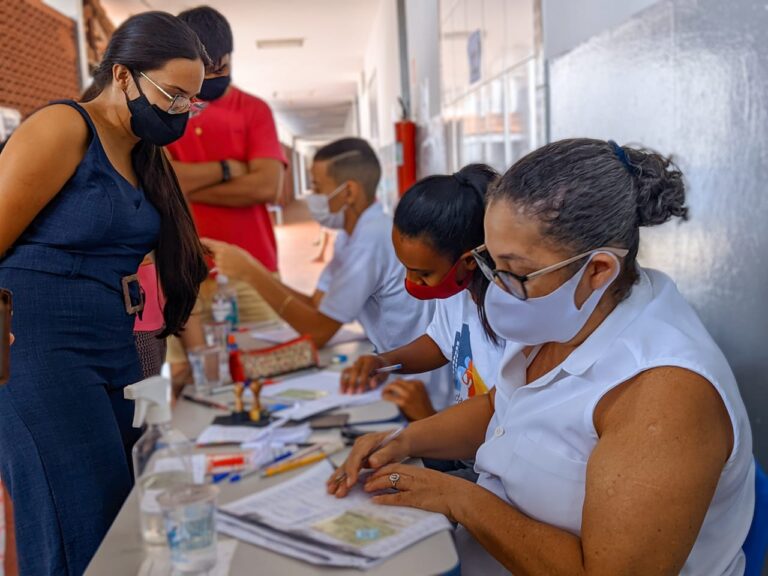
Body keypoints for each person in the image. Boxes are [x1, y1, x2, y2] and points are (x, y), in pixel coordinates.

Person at [329, 139, 754, 576]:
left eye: (514, 271)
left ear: (598, 270)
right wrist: (406, 440)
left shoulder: (666, 397)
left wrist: (460, 498)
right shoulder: (566, 312)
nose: (496, 288)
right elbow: (503, 408)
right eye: (490, 263)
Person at [0, 12, 209, 574]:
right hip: (39, 350)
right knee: (79, 529)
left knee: (124, 516)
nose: (181, 112)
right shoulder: (64, 128)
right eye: (172, 95)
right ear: (122, 75)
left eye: (192, 101)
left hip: (114, 347)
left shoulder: (142, 151)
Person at [204, 137, 451, 409]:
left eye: (318, 187)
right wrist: (254, 268)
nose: (313, 197)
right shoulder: (350, 236)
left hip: (420, 384)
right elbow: (315, 304)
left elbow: (318, 332)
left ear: (349, 192)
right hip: (394, 367)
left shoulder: (370, 240)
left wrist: (251, 274)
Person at [165, 5, 287, 388]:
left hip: (252, 272)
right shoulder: (167, 113)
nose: (214, 76)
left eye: (221, 66)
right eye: (206, 68)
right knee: (196, 386)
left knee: (273, 371)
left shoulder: (254, 110)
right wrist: (228, 169)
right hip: (183, 275)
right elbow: (167, 183)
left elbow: (266, 186)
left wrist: (189, 183)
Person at [341, 164, 503, 432]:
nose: (412, 282)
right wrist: (383, 362)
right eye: (405, 267)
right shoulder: (458, 291)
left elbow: (498, 426)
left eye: (423, 273)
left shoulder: (510, 318)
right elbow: (440, 344)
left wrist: (426, 418)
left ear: (468, 261)